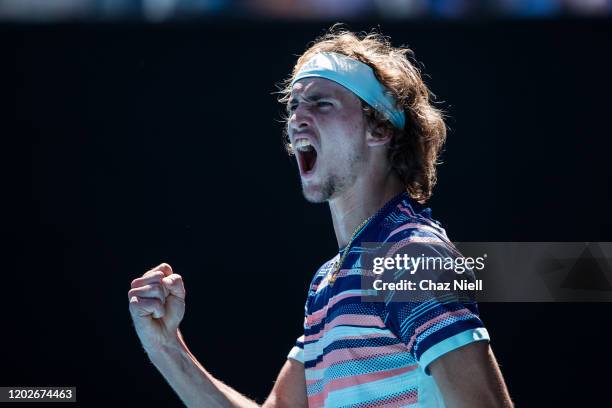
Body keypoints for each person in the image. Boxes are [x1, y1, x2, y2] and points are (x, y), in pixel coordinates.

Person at [128, 27, 513, 407]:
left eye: (321, 103)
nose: (297, 118)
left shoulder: (408, 257)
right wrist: (165, 347)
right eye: (294, 105)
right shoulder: (328, 284)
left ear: (378, 127)